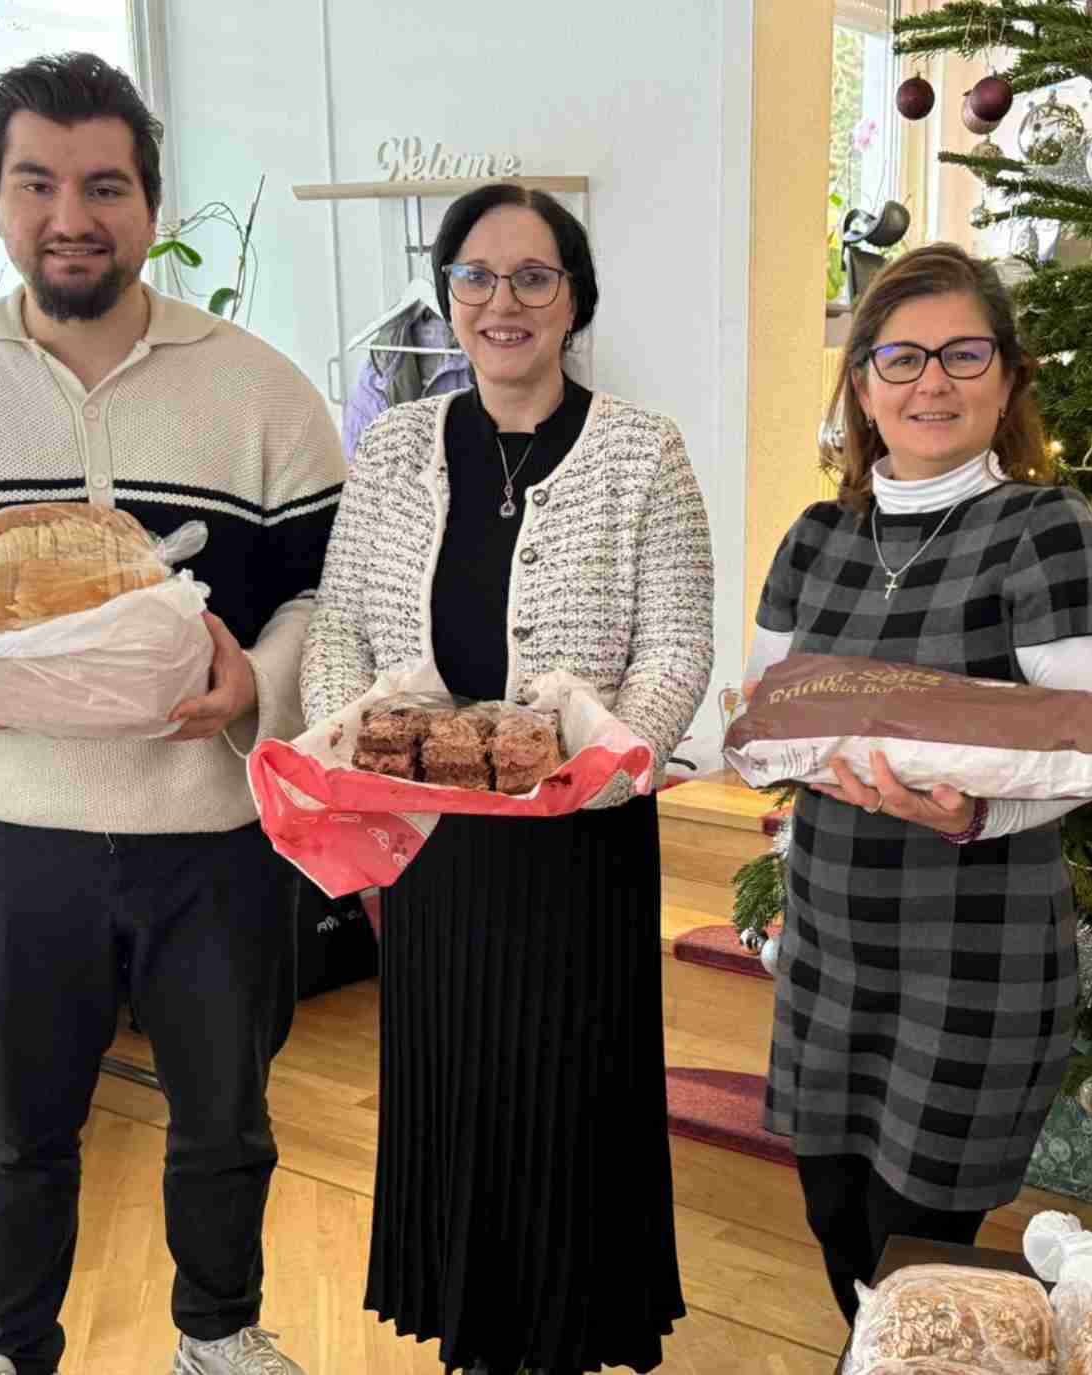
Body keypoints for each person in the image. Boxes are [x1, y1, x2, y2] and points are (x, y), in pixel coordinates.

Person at [0, 52, 342, 1375]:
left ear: (149, 202)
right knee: (15, 1129)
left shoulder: (261, 389)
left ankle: (216, 1333)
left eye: (103, 184)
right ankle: (9, 1351)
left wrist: (256, 688)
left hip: (213, 828)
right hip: (4, 832)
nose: (70, 213)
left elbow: (333, 594)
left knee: (228, 1115)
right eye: (36, 180)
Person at [302, 183, 714, 1372]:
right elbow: (339, 623)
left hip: (578, 840)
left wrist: (611, 759)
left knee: (569, 1096)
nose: (503, 302)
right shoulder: (392, 448)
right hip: (431, 837)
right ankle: (473, 1335)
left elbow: (678, 640)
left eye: (534, 277)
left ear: (576, 298)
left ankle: (566, 1335)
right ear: (446, 297)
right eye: (476, 277)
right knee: (455, 1090)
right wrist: (343, 743)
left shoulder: (642, 449)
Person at [747, 244, 1092, 1324]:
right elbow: (762, 711)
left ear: (1006, 378)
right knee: (834, 1212)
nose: (932, 382)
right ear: (862, 386)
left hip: (974, 949)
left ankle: (923, 1353)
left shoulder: (1046, 531)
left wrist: (975, 804)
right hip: (830, 937)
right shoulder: (819, 537)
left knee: (914, 1241)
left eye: (963, 354)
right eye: (901, 357)